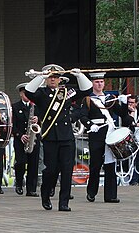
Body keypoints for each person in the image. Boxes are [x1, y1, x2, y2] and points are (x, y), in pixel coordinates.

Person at [24, 64, 92, 211]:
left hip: (66, 137)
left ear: (60, 79)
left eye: (55, 77)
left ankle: (64, 203)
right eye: (50, 77)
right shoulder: (41, 94)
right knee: (51, 170)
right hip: (50, 137)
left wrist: (79, 75)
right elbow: (28, 92)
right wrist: (40, 76)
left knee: (67, 171)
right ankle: (46, 195)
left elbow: (87, 90)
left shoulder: (66, 92)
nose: (52, 80)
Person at [79, 72, 124, 203]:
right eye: (97, 82)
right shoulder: (88, 99)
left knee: (110, 165)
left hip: (110, 133)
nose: (99, 84)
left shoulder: (110, 98)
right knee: (95, 165)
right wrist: (90, 124)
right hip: (96, 134)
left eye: (101, 82)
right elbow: (83, 116)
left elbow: (121, 113)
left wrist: (124, 104)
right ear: (92, 83)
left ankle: (111, 195)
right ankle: (91, 192)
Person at [11, 82, 40, 197]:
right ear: (20, 94)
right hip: (21, 139)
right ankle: (19, 183)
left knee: (33, 164)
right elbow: (12, 124)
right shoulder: (15, 107)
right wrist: (19, 135)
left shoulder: (36, 107)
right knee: (21, 163)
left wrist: (38, 119)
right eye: (25, 93)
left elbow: (45, 120)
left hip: (34, 139)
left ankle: (31, 189)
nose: (27, 96)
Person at [124, 95, 139, 185]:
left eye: (132, 102)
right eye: (129, 102)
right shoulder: (125, 112)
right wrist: (130, 114)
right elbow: (126, 122)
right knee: (132, 160)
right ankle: (133, 179)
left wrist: (138, 124)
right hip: (131, 139)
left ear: (136, 103)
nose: (130, 104)